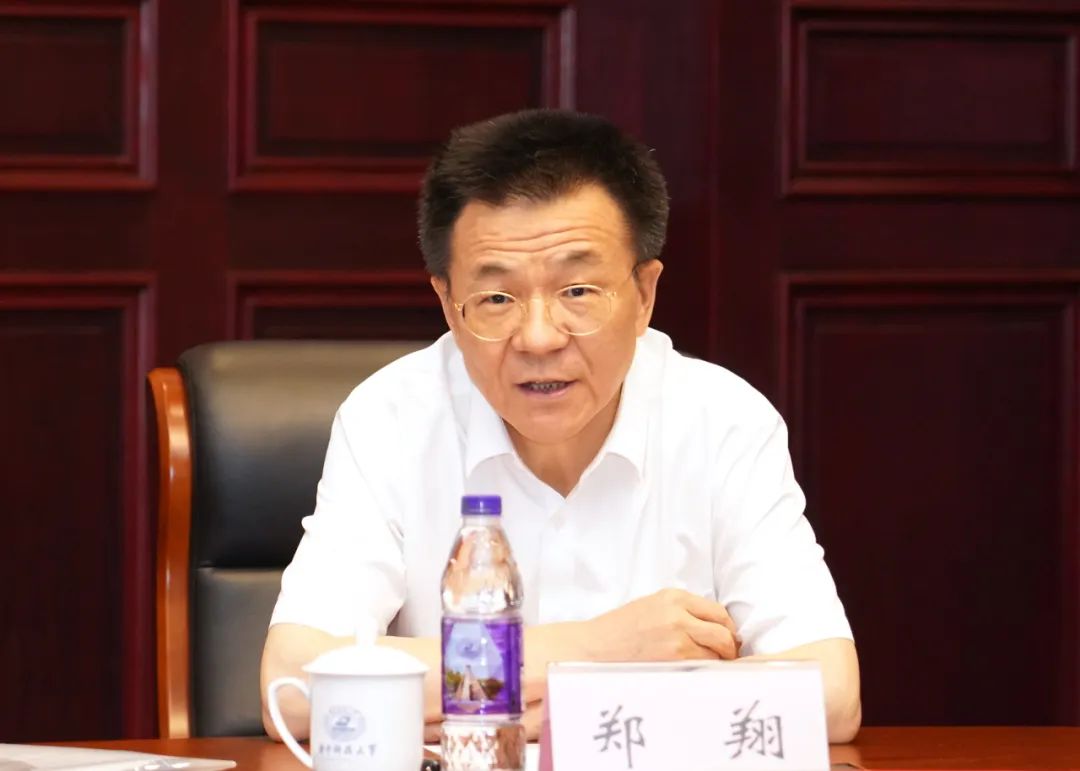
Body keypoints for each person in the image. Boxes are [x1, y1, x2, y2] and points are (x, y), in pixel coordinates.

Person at [260, 109, 861, 743]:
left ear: (645, 295)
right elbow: (294, 685)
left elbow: (831, 694)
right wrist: (599, 649)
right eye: (497, 298)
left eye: (577, 291)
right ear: (448, 306)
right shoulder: (390, 419)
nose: (539, 338)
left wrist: (530, 707)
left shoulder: (724, 421)